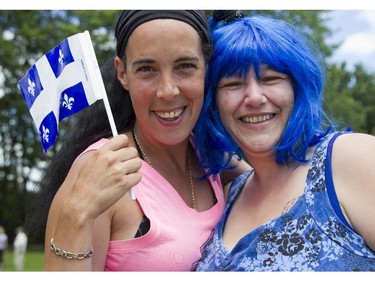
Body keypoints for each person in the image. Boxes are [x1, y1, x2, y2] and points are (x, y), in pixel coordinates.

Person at [25, 10, 247, 271]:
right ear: (123, 74)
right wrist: (77, 213)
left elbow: (274, 184)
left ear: (206, 68)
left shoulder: (211, 158)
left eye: (185, 66)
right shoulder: (98, 171)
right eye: (146, 69)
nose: (167, 91)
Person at [194, 11, 375, 271]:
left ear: (297, 88)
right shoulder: (228, 194)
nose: (254, 98)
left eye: (270, 79)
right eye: (232, 84)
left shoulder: (349, 158)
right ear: (213, 104)